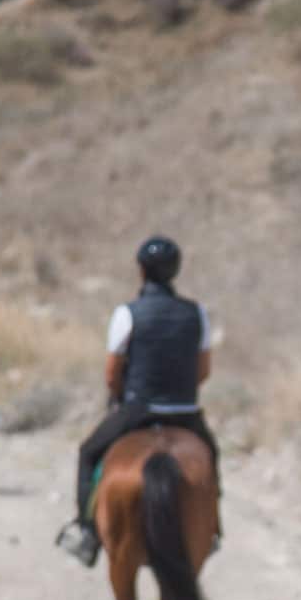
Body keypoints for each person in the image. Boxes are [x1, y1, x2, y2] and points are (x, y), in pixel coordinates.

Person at [56, 236, 219, 567]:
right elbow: (203, 371)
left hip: (137, 410)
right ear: (175, 271)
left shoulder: (127, 314)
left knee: (88, 453)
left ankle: (86, 531)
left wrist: (121, 396)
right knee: (211, 456)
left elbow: (112, 373)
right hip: (184, 412)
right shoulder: (197, 313)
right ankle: (213, 528)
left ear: (141, 271)